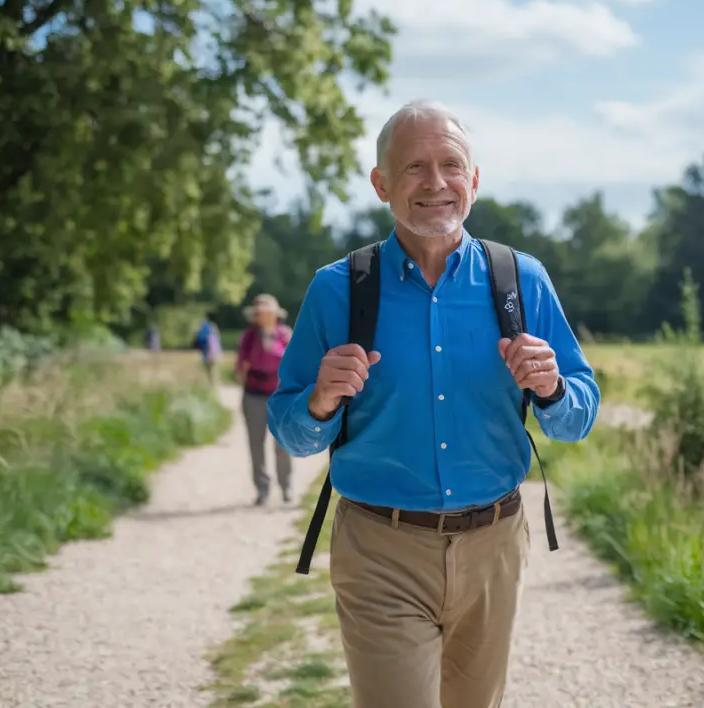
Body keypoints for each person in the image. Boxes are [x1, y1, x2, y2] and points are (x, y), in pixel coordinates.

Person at [267, 99, 600, 708]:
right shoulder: (337, 289)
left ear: (474, 181)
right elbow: (291, 432)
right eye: (415, 167)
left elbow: (579, 414)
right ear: (381, 184)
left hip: (495, 546)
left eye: (451, 165)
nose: (436, 182)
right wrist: (318, 402)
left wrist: (552, 388)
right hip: (380, 548)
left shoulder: (521, 280)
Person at [236, 294, 294, 505]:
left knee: (282, 444)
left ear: (275, 313)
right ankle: (262, 490)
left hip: (280, 397)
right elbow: (241, 366)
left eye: (267, 310)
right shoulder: (249, 337)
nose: (263, 314)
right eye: (260, 311)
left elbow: (294, 364)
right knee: (256, 444)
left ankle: (286, 487)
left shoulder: (285, 335)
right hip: (254, 394)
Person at [193, 314, 222, 384]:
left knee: (208, 369)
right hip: (212, 354)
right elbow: (216, 345)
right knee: (213, 369)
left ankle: (210, 383)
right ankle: (214, 383)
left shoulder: (202, 329)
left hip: (206, 353)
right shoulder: (213, 335)